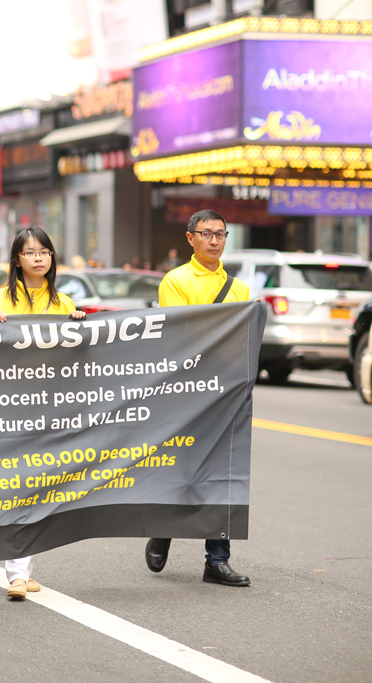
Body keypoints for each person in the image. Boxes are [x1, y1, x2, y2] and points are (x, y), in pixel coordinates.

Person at [145, 209, 251, 588]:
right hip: (187, 392)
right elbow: (182, 337)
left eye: (220, 234)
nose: (214, 240)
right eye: (206, 233)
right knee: (184, 469)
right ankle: (163, 529)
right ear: (190, 238)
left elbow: (240, 340)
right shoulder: (176, 281)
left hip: (225, 393)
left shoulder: (239, 289)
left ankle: (216, 560)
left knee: (223, 474)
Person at [0, 227, 86, 600]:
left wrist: (80, 326)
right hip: (8, 406)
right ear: (17, 260)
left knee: (41, 486)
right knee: (19, 485)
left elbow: (77, 354)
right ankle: (16, 573)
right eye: (30, 252)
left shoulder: (64, 302)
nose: (38, 257)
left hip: (50, 407)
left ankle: (23, 567)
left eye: (44, 251)